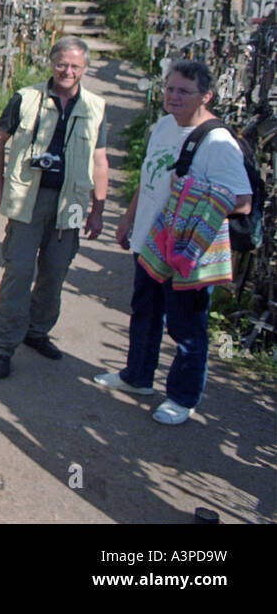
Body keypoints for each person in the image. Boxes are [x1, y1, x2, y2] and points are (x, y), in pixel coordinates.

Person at [98, 61, 252, 425]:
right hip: (150, 242)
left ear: (207, 96)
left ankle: (183, 398)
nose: (173, 96)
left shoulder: (218, 143)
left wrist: (193, 201)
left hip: (185, 251)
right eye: (170, 88)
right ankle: (137, 377)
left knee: (187, 325)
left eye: (184, 91)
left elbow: (242, 200)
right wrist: (128, 218)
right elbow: (149, 175)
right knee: (145, 312)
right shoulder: (164, 125)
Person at [0, 36, 108, 378]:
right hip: (29, 198)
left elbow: (100, 160)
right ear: (52, 64)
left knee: (56, 272)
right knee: (19, 271)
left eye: (75, 66)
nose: (67, 71)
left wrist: (98, 210)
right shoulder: (27, 98)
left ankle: (37, 331)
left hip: (71, 202)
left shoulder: (96, 107)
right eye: (62, 64)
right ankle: (3, 344)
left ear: (84, 69)